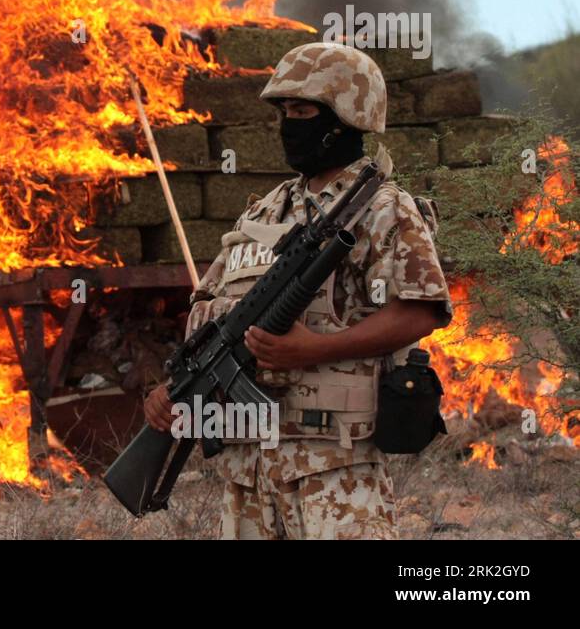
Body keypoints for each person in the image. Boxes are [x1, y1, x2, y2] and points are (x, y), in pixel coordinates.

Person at [144, 42, 452, 539]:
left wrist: (314, 349)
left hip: (333, 467)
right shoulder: (265, 211)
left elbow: (420, 313)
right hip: (247, 470)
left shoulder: (380, 207)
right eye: (285, 111)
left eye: (303, 111)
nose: (290, 123)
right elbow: (209, 309)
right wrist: (172, 392)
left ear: (344, 118)